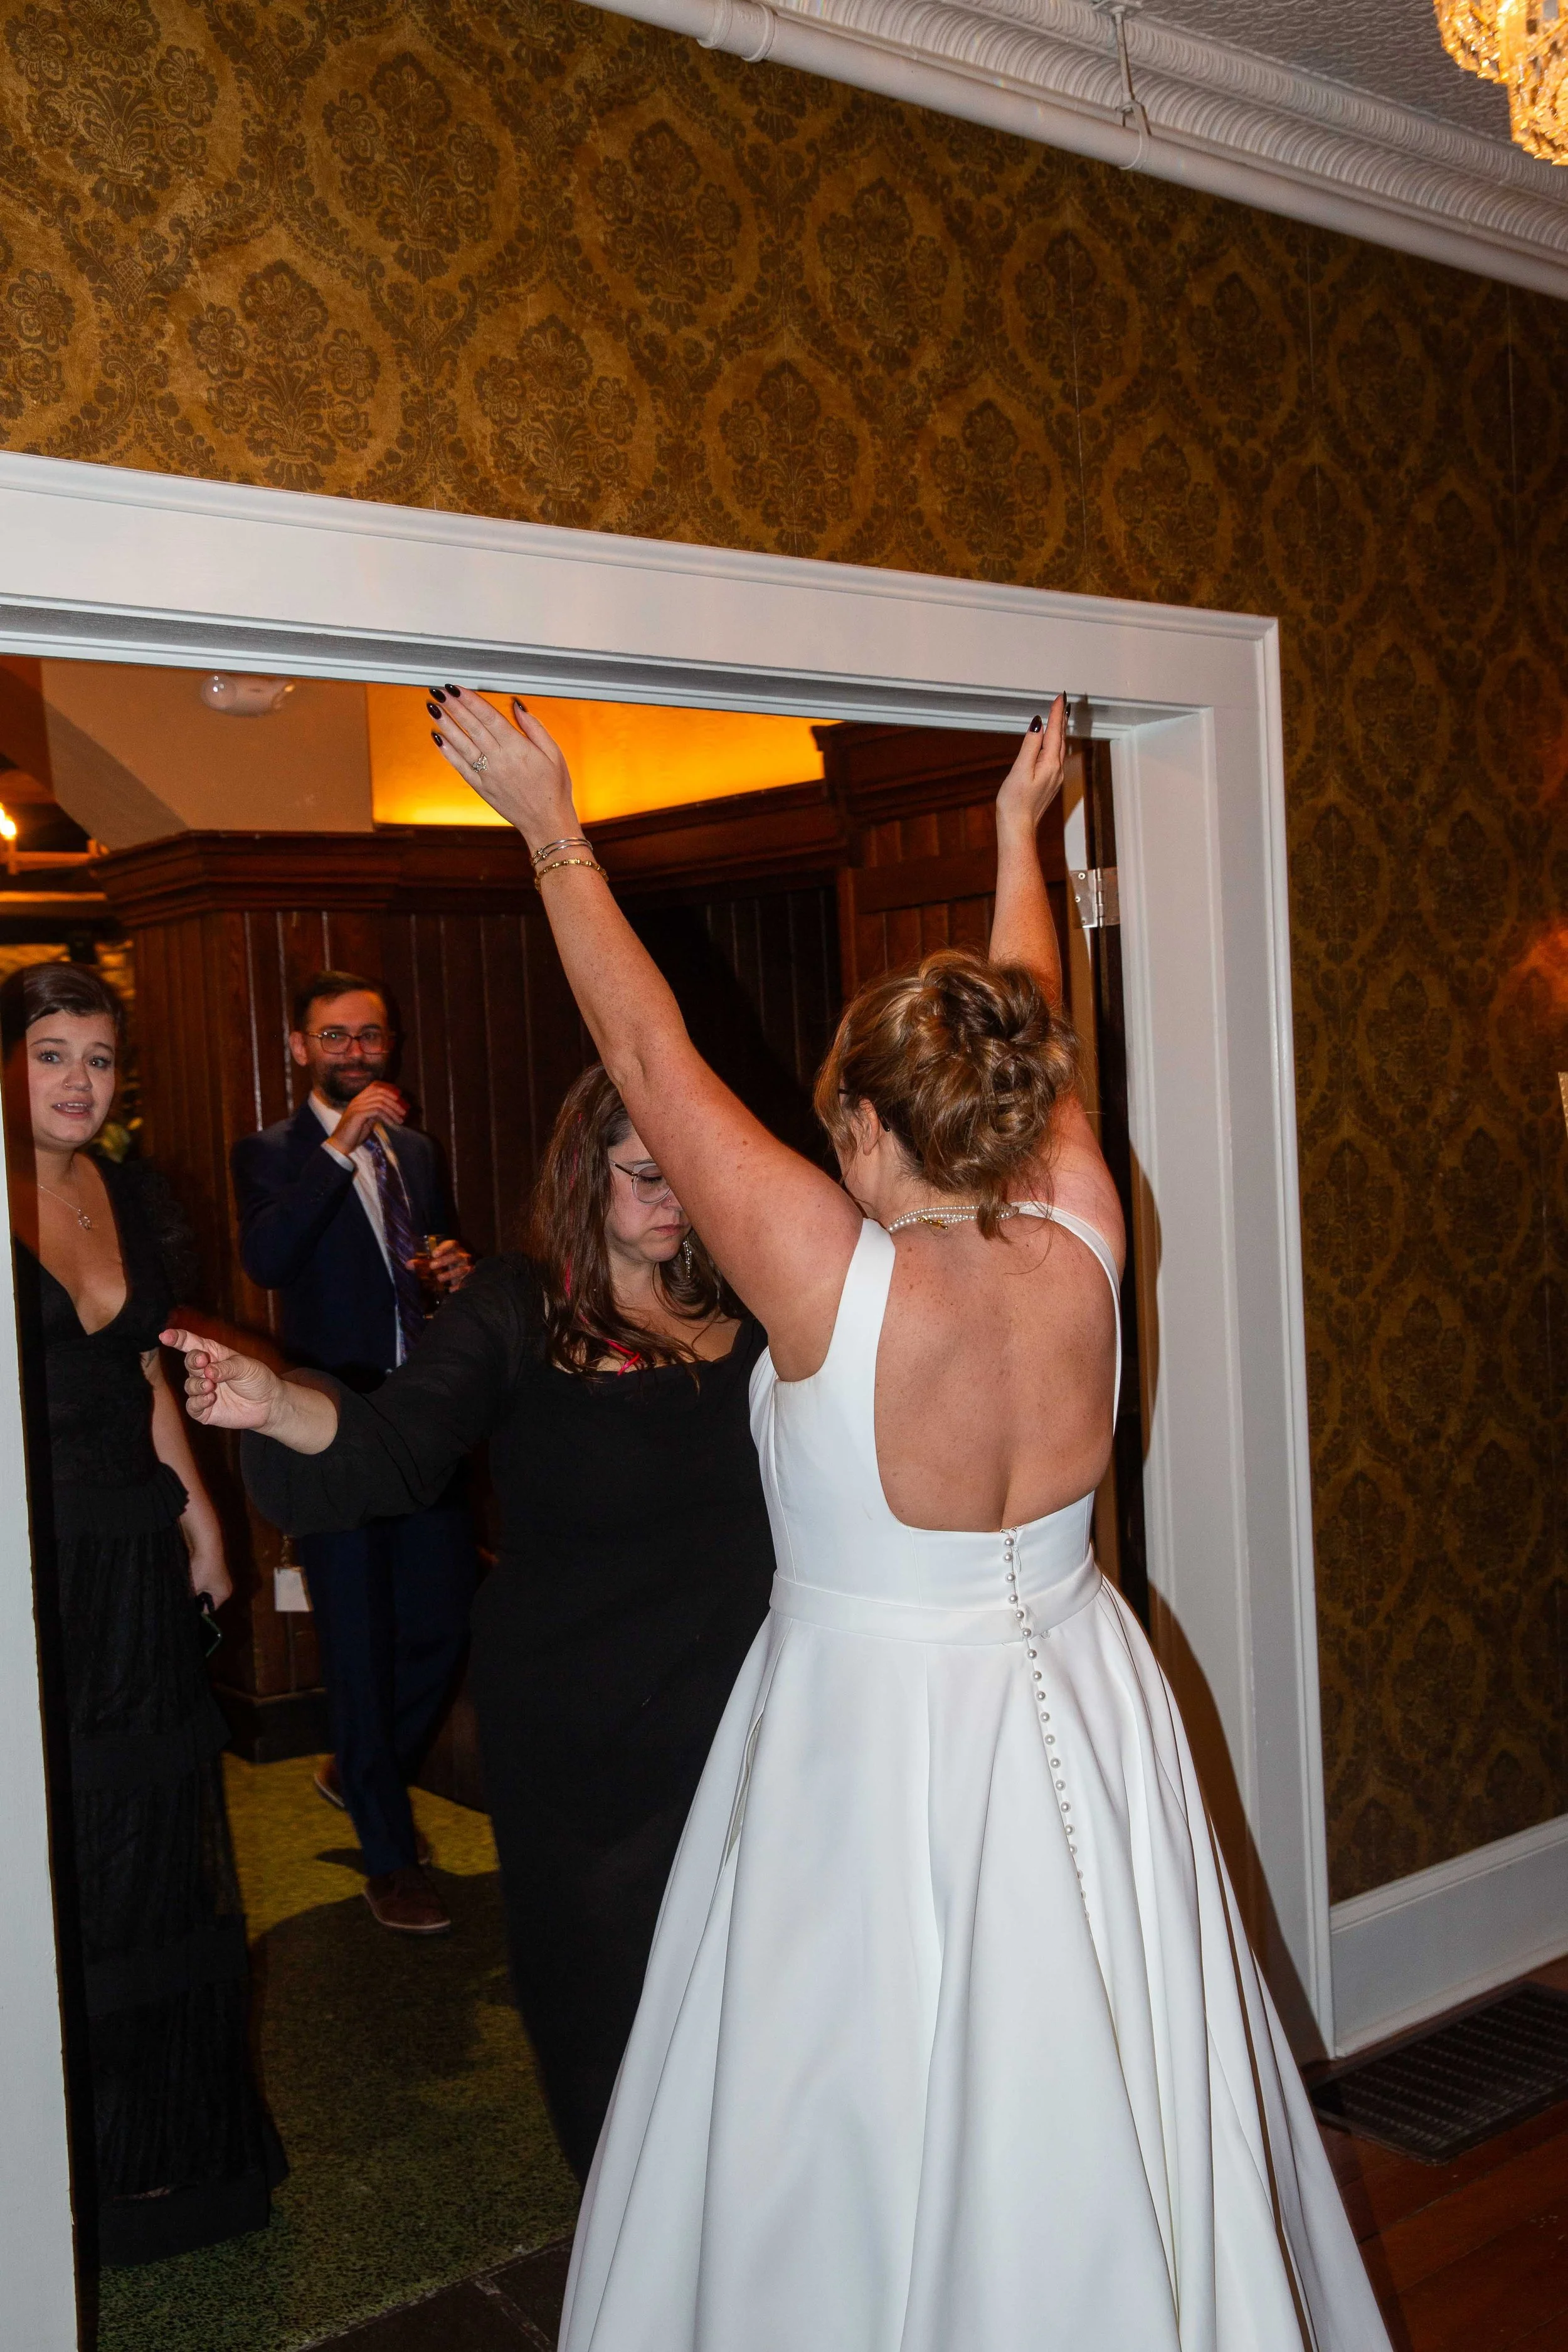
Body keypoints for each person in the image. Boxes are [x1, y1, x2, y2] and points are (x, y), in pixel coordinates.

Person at [433, 684, 1387, 2348]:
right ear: (1009, 1109)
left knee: (854, 2100)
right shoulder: (1079, 1214)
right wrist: (1024, 835)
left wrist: (555, 832)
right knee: (1101, 2049)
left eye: (837, 1125)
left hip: (873, 1744)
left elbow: (651, 1060)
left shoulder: (833, 1281)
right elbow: (1035, 1010)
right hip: (1088, 1704)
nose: (833, 1151)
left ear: (871, 1126)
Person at [165, 1062, 777, 2183]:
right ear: (583, 1167)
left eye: (685, 1172)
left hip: (747, 1720)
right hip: (584, 1739)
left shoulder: (760, 1297)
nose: (671, 1201)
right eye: (642, 1175)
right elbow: (396, 1445)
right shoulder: (519, 1302)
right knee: (615, 2027)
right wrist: (278, 1401)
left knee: (754, 2022)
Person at [3, 961, 283, 2266]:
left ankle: (159, 2158)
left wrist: (202, 1516)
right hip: (28, 1558)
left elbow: (144, 1370)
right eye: (52, 1053)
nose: (77, 1082)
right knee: (48, 1840)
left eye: (99, 1059)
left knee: (153, 1840)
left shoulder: (130, 1191)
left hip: (130, 1553)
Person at [230, 970, 477, 1937]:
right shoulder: (272, 1153)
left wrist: (450, 1272)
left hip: (423, 1416)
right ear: (301, 1049)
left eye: (371, 1035)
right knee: (360, 1646)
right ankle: (388, 1853)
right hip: (329, 1426)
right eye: (335, 1037)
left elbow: (426, 1260)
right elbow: (269, 1260)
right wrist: (339, 1148)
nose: (357, 1051)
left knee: (443, 1624)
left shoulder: (416, 1149)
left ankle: (355, 1766)